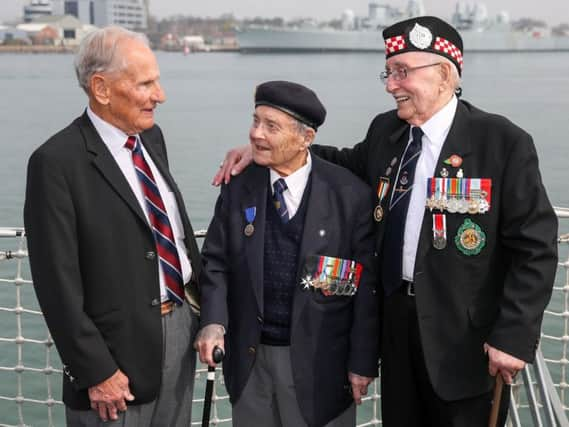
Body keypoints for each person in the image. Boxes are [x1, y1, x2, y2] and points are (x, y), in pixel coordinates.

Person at [213, 17, 559, 427]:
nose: (390, 84)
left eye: (402, 72)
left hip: (465, 344)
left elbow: (535, 248)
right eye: (388, 72)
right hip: (396, 332)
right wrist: (270, 148)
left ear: (444, 74)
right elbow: (343, 163)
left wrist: (512, 336)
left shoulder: (501, 142)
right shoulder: (387, 132)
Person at [24, 26, 201, 426]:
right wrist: (97, 370)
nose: (161, 95)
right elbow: (56, 283)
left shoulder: (152, 139)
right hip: (113, 364)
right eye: (146, 83)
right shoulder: (56, 163)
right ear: (101, 88)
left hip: (180, 336)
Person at [195, 80, 380, 427]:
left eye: (271, 126)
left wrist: (362, 364)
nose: (256, 134)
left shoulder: (350, 196)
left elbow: (366, 291)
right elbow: (216, 261)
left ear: (306, 138)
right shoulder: (238, 187)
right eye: (255, 121)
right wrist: (213, 322)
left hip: (323, 369)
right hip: (251, 364)